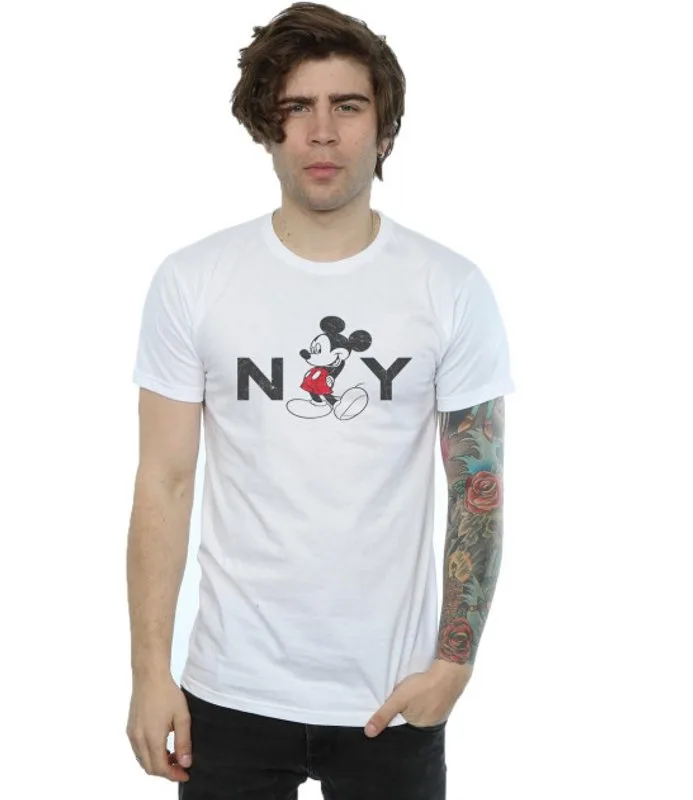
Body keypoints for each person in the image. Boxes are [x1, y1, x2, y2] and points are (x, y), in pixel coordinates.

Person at [126, 3, 515, 797]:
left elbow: (476, 485)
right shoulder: (193, 281)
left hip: (393, 698)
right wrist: (148, 673)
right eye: (297, 107)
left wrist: (454, 666)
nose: (323, 132)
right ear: (266, 126)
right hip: (228, 691)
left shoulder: (450, 287)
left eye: (348, 105)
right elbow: (164, 483)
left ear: (384, 126)